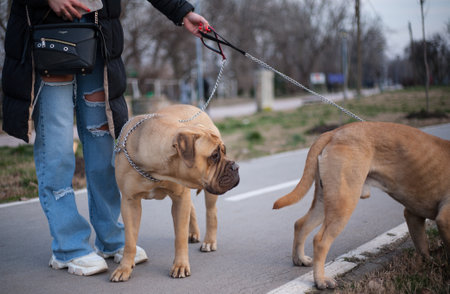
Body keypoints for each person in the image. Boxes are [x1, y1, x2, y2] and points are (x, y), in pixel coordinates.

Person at [1, 0, 209, 276]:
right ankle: (69, 246)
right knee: (57, 147)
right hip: (47, 35)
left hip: (98, 38)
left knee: (103, 147)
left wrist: (181, 11)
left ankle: (112, 237)